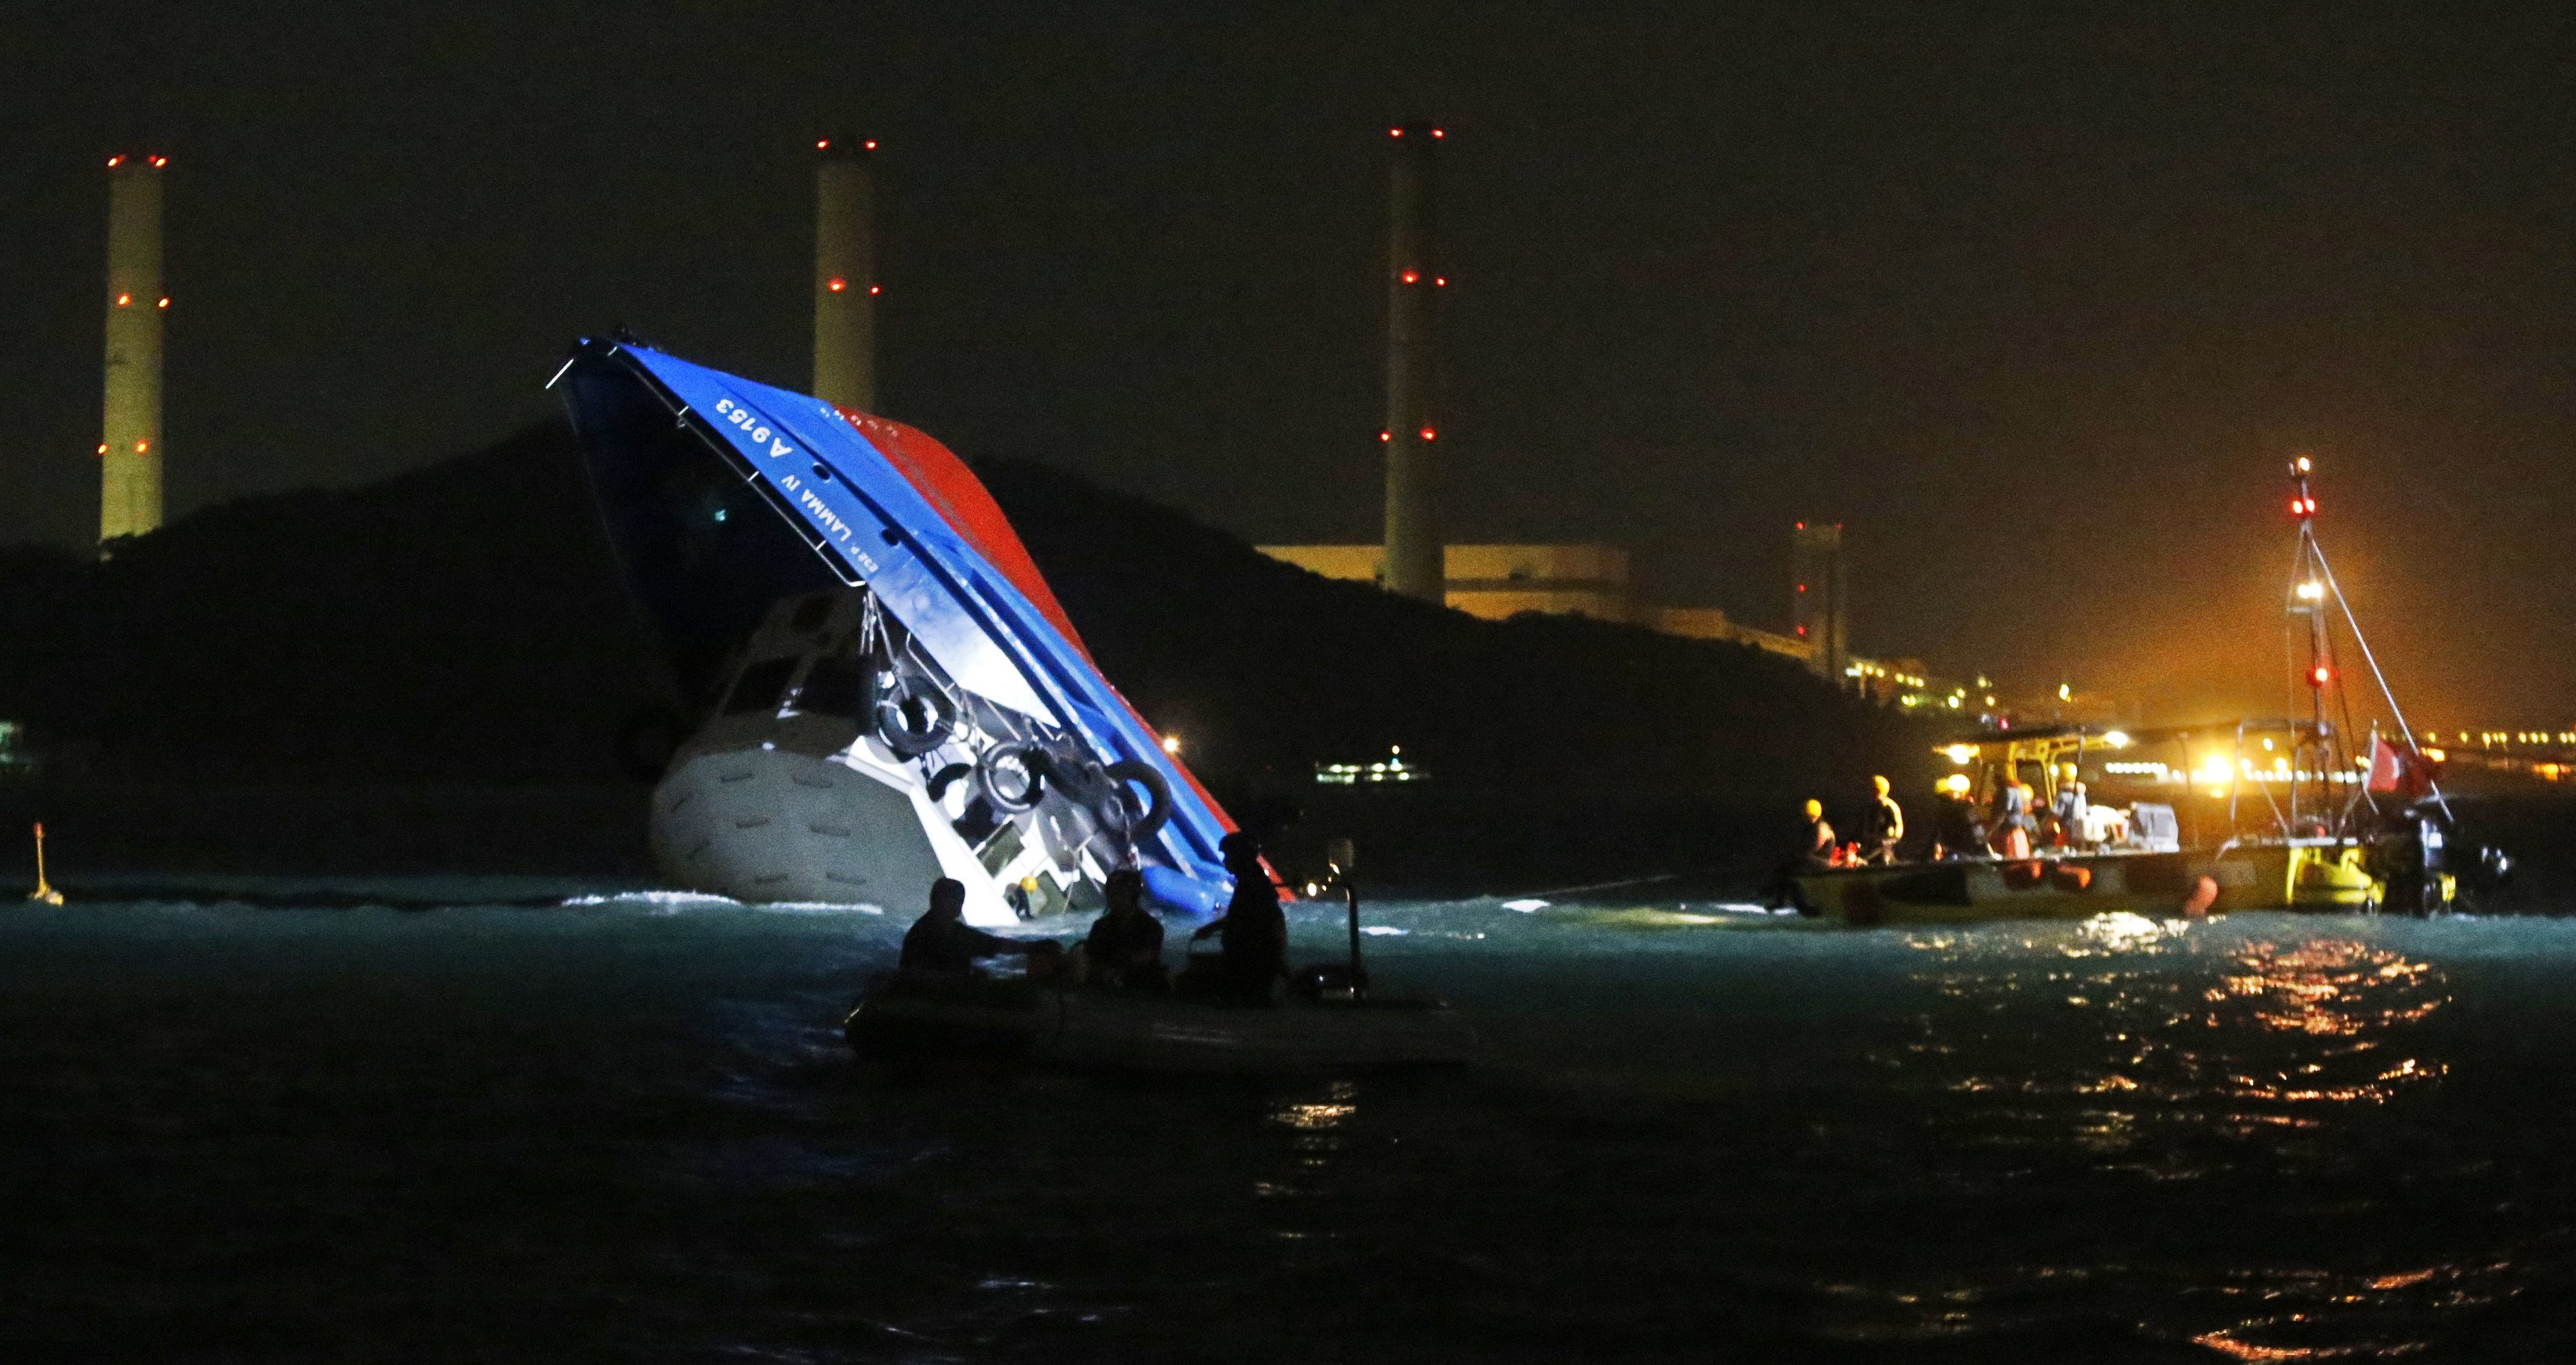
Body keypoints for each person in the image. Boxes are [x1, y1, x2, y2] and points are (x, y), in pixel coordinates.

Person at [1190, 831, 1287, 1004]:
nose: (1225, 861)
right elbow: (1240, 916)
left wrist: (1209, 929)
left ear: (1240, 857)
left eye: (1228, 855)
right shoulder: (1255, 881)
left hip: (1253, 956)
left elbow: (1243, 919)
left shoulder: (1252, 884)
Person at [899, 877, 1052, 975]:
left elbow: (993, 944)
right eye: (957, 899)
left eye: (960, 900)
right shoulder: (926, 934)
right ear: (939, 900)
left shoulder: (951, 930)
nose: (959, 904)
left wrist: (1029, 948)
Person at [1083, 867, 1166, 990]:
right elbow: (1088, 957)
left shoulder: (1151, 927)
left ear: (1133, 896)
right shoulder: (1100, 926)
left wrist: (1118, 966)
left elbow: (1147, 957)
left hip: (1140, 988)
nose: (1115, 900)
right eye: (1112, 895)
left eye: (1120, 895)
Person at [1862, 775, 1905, 864]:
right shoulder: (1871, 807)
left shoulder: (1889, 805)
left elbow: (1899, 826)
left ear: (1878, 790)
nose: (1870, 792)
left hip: (1885, 845)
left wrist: (1890, 841)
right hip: (1873, 844)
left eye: (1872, 789)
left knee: (1884, 860)